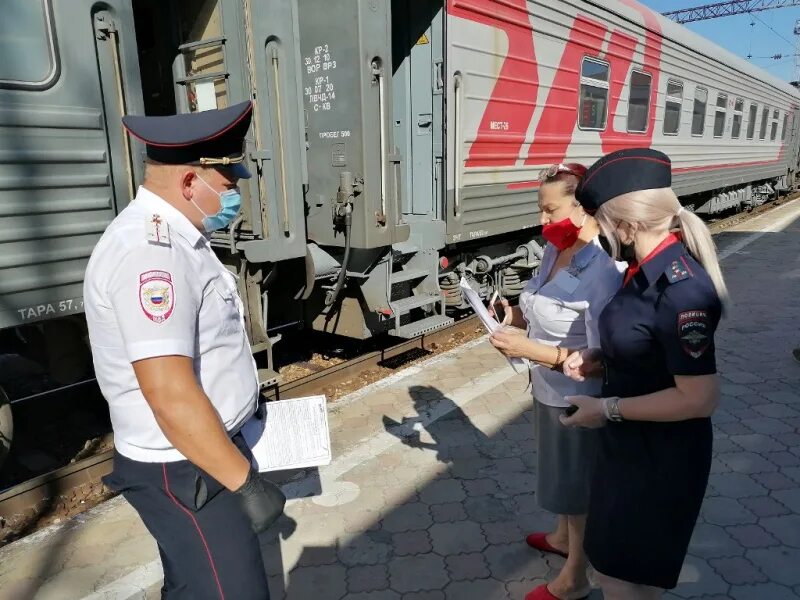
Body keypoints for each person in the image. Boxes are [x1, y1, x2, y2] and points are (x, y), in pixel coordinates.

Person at [83, 101, 284, 599]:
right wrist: (245, 484)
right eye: (229, 183)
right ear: (191, 183)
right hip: (188, 468)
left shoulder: (178, 237)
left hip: (201, 454)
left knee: (192, 584)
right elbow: (169, 394)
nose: (236, 193)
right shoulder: (151, 254)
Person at [561, 148, 727, 599]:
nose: (599, 232)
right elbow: (643, 343)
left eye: (604, 223)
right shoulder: (642, 273)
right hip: (630, 446)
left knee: (619, 574)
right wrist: (599, 356)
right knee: (625, 572)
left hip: (660, 460)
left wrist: (606, 408)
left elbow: (700, 398)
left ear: (628, 227)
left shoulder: (682, 290)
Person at [489, 163, 624, 600]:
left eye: (551, 210)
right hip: (547, 389)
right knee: (562, 475)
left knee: (578, 484)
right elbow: (540, 305)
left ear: (583, 210)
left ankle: (576, 577)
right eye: (540, 209)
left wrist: (529, 350)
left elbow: (605, 359)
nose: (542, 221)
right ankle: (563, 538)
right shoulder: (553, 249)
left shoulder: (602, 271)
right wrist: (511, 315)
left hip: (577, 398)